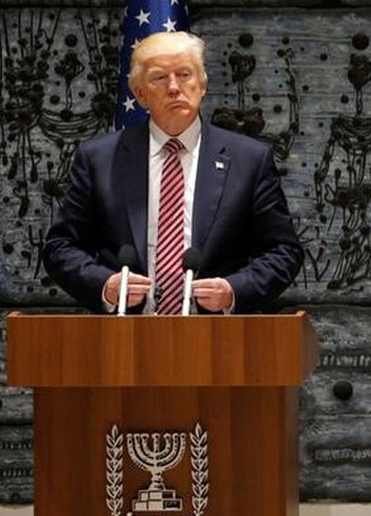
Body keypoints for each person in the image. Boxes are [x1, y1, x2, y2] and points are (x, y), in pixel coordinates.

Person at [43, 31, 303, 314]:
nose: (174, 87)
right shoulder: (100, 158)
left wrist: (233, 291)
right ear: (140, 94)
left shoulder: (249, 159)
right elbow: (60, 247)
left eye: (184, 74)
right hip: (124, 337)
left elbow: (284, 251)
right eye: (159, 78)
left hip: (219, 337)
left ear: (202, 85)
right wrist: (105, 286)